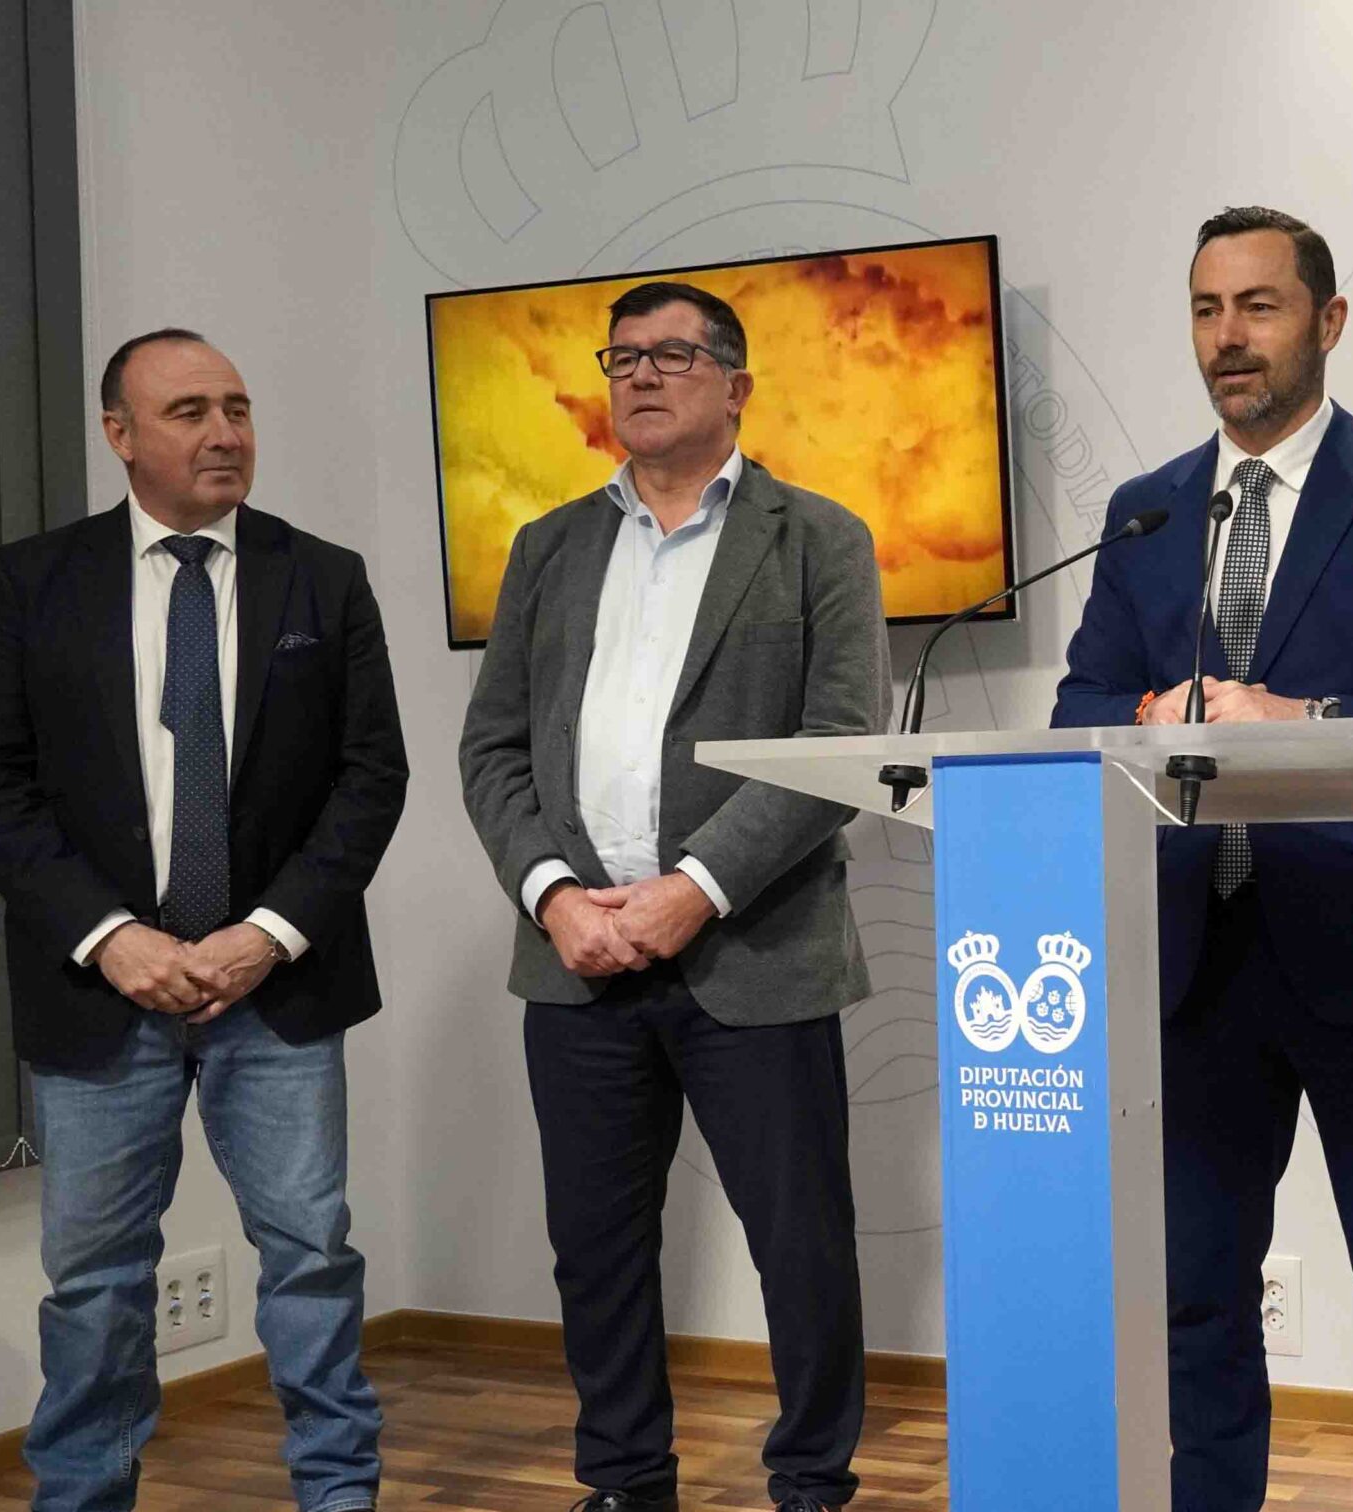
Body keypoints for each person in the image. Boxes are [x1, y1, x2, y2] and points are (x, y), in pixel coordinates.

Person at [1050, 207, 1353, 1512]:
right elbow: (1076, 708)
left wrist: (1307, 718)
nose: (1228, 337)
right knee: (1198, 1297)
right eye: (1206, 309)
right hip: (1190, 963)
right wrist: (1144, 713)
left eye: (1258, 307)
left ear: (1328, 321)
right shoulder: (1148, 512)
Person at [0, 329, 408, 1512]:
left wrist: (269, 933)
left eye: (238, 408)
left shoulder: (323, 577)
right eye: (190, 411)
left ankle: (338, 1496)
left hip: (278, 988)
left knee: (311, 1259)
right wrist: (112, 937)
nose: (225, 433)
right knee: (96, 1280)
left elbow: (370, 779)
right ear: (120, 434)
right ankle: (83, 1498)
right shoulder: (35, 580)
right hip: (103, 990)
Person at [457, 281, 888, 1512]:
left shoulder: (818, 538)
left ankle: (812, 1482)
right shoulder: (547, 547)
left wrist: (694, 890)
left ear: (737, 387)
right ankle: (624, 1481)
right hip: (576, 957)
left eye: (674, 356)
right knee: (594, 1251)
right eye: (624, 357)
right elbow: (492, 749)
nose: (642, 374)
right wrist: (554, 895)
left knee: (799, 1245)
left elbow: (840, 744)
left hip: (756, 952)